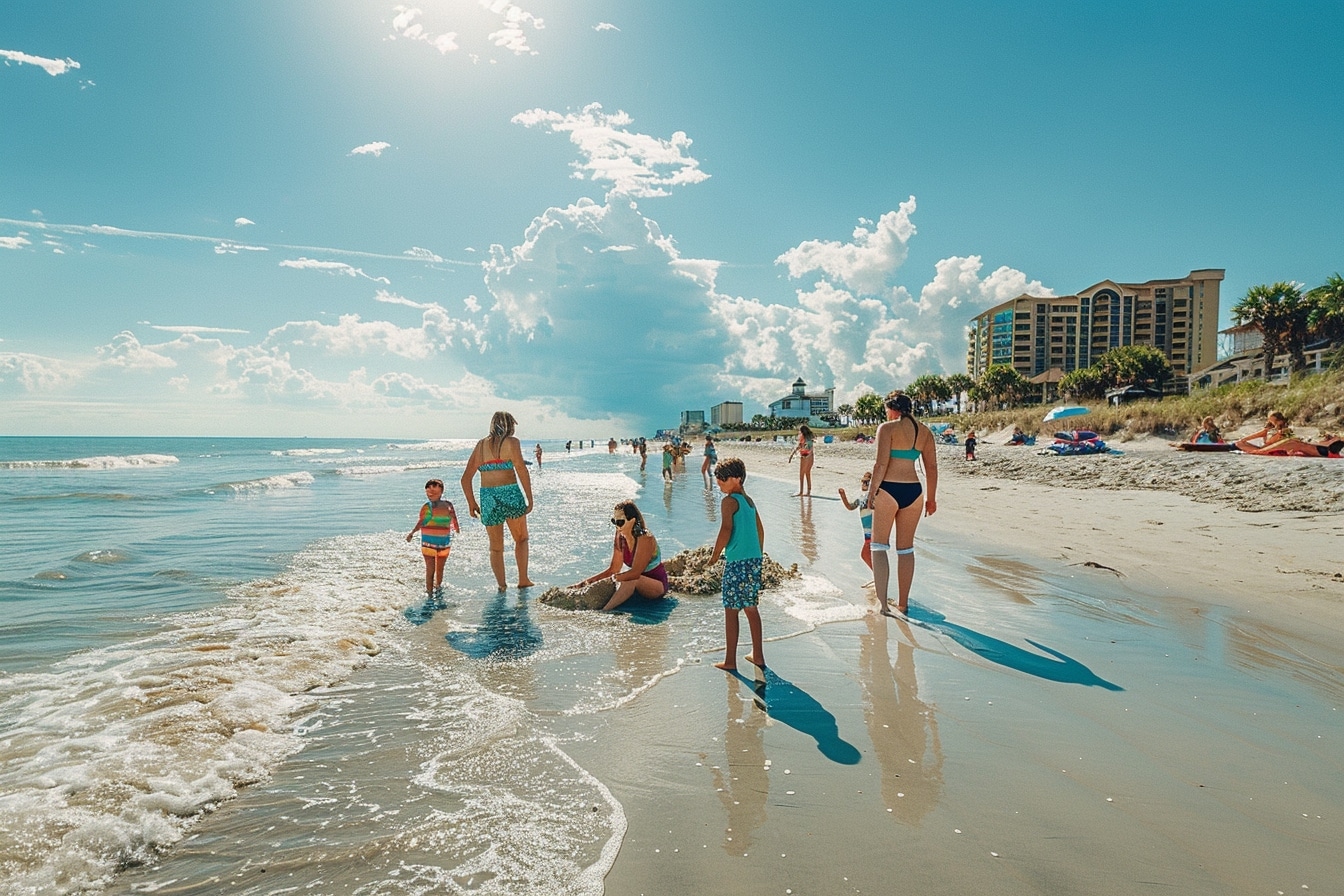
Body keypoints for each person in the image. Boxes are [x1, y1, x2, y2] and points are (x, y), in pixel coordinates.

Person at [867, 391, 938, 617]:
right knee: (905, 549)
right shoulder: (925, 431)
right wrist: (931, 499)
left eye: (886, 410)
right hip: (914, 492)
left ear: (893, 409)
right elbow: (932, 468)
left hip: (889, 488)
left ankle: (883, 605)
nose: (886, 414)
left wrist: (871, 493)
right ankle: (903, 603)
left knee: (878, 546)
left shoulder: (887, 428)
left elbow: (880, 465)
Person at [461, 411, 535, 591]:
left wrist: (471, 503)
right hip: (509, 494)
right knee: (521, 539)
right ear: (510, 425)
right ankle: (523, 579)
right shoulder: (512, 442)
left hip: (488, 498)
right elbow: (521, 470)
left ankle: (502, 585)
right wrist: (529, 498)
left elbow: (465, 478)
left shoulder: (480, 446)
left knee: (495, 547)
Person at [708, 457, 765, 671]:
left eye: (723, 479)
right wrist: (758, 555)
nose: (719, 483)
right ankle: (757, 655)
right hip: (753, 561)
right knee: (751, 607)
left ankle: (730, 661)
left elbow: (726, 530)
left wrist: (715, 555)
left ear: (737, 479)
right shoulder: (749, 501)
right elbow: (760, 530)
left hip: (736, 562)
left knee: (731, 610)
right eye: (718, 479)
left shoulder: (729, 501)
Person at [570, 501, 670, 611]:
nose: (617, 526)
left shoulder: (645, 538)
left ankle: (605, 611)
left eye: (621, 522)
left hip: (657, 586)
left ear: (632, 520)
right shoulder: (620, 537)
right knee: (626, 578)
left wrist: (614, 578)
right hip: (636, 585)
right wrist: (583, 584)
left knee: (631, 578)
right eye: (614, 521)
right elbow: (613, 569)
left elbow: (635, 573)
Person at [406, 478, 461, 597]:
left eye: (434, 492)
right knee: (431, 568)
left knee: (439, 568)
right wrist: (412, 532)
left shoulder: (446, 505)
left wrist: (457, 528)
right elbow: (421, 522)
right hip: (430, 543)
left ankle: (437, 587)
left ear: (441, 492)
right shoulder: (429, 507)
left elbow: (454, 518)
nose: (431, 494)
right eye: (428, 492)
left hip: (443, 543)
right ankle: (430, 591)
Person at [838, 471, 874, 570]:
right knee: (867, 555)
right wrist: (843, 496)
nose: (864, 484)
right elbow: (850, 507)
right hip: (867, 532)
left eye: (867, 482)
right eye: (863, 482)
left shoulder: (872, 497)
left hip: (873, 532)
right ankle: (877, 577)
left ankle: (878, 578)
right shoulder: (861, 498)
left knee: (866, 554)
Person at [788, 424, 815, 496]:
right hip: (811, 457)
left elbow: (799, 446)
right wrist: (792, 455)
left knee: (801, 475)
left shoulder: (803, 438)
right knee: (808, 473)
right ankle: (808, 491)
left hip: (805, 456)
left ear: (802, 431)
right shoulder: (810, 438)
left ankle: (801, 491)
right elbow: (810, 449)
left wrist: (791, 455)